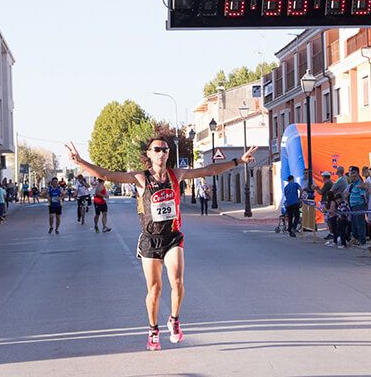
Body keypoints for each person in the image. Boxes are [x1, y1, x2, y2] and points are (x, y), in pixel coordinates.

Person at [65, 137, 257, 351]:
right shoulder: (140, 178)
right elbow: (107, 175)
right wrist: (80, 161)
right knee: (154, 289)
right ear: (149, 154)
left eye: (165, 149)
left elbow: (208, 170)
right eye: (157, 149)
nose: (162, 153)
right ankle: (153, 329)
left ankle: (174, 320)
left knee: (177, 281)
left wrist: (238, 161)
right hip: (150, 240)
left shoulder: (177, 174)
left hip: (173, 236)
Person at [347, 166, 369, 247]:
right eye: (351, 174)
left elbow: (364, 196)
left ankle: (361, 240)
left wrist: (365, 206)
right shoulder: (352, 184)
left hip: (359, 206)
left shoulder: (360, 184)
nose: (353, 176)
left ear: (357, 174)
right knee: (354, 224)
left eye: (354, 174)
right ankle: (355, 238)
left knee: (360, 223)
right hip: (352, 206)